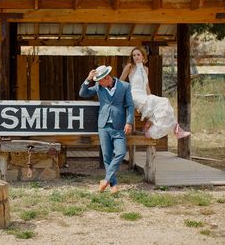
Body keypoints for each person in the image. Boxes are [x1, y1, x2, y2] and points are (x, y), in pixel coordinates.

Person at [79, 65, 135, 194]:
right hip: (103, 126)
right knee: (107, 156)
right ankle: (113, 184)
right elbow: (83, 93)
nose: (98, 83)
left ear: (107, 78)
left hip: (119, 126)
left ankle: (105, 180)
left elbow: (130, 106)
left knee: (120, 152)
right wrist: (88, 79)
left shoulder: (125, 86)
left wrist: (129, 122)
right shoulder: (99, 86)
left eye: (100, 81)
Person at [120, 46, 190, 139]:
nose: (136, 57)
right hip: (134, 95)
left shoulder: (145, 69)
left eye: (138, 54)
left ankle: (154, 127)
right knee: (163, 101)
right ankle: (163, 129)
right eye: (134, 55)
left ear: (143, 57)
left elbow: (146, 86)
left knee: (163, 105)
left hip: (144, 95)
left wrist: (150, 97)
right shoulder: (130, 67)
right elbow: (120, 82)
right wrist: (125, 96)